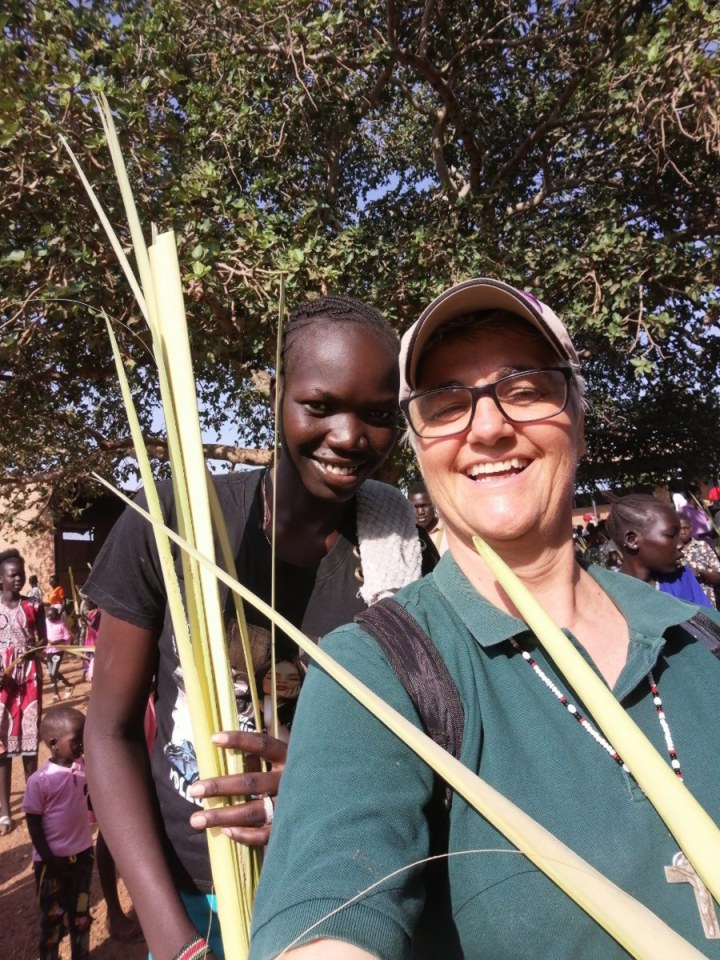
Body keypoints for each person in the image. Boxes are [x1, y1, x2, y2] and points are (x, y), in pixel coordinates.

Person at [249, 278, 720, 959]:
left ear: (579, 420)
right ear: (417, 448)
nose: (491, 425)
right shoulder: (378, 676)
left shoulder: (696, 641)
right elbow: (327, 913)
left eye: (526, 388)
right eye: (445, 404)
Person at [83, 295, 439, 960]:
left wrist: (317, 794)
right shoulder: (172, 526)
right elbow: (108, 731)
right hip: (197, 891)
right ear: (276, 395)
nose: (350, 435)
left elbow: (423, 743)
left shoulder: (404, 556)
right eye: (321, 404)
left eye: (377, 415)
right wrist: (172, 935)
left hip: (342, 893)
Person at [22, 705, 94, 960]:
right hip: (51, 863)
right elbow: (33, 822)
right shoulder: (40, 781)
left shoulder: (83, 767)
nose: (83, 745)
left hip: (83, 856)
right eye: (77, 740)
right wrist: (48, 857)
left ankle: (81, 955)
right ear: (54, 744)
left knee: (81, 914)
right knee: (52, 919)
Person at [0, 548, 44, 835]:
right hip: (2, 681)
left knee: (29, 744)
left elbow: (44, 641)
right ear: (1, 578)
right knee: (2, 746)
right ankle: (4, 811)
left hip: (29, 679)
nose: (18, 579)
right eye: (12, 575)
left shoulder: (34, 606)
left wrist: (33, 651)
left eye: (21, 574)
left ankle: (32, 804)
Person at [606, 494, 712, 607]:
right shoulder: (611, 600)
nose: (680, 545)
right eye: (671, 535)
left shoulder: (683, 578)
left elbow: (708, 623)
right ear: (633, 541)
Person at [679, 516, 720, 608]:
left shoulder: (703, 546)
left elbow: (718, 577)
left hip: (706, 603)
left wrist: (700, 572)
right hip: (684, 605)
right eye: (679, 529)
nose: (683, 532)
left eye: (685, 528)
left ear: (691, 528)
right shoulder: (670, 550)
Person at [407, 480, 447, 554]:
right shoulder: (408, 537)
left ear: (433, 504)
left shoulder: (449, 531)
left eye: (424, 505)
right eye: (415, 507)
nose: (420, 512)